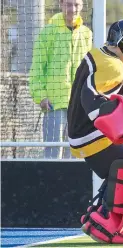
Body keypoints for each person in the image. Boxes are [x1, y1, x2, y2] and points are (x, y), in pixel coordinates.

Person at [67, 19, 123, 244]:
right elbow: (89, 95)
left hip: (79, 131)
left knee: (119, 163)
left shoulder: (99, 54)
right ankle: (109, 223)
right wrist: (108, 122)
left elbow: (95, 90)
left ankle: (98, 214)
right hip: (90, 133)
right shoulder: (116, 67)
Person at [29, 0, 92, 159]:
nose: (72, 9)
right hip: (53, 103)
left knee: (75, 153)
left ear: (82, 5)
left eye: (76, 4)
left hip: (78, 105)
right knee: (53, 153)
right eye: (68, 4)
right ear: (61, 5)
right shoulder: (47, 32)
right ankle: (50, 184)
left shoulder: (87, 34)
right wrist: (41, 96)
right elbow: (37, 67)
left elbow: (91, 69)